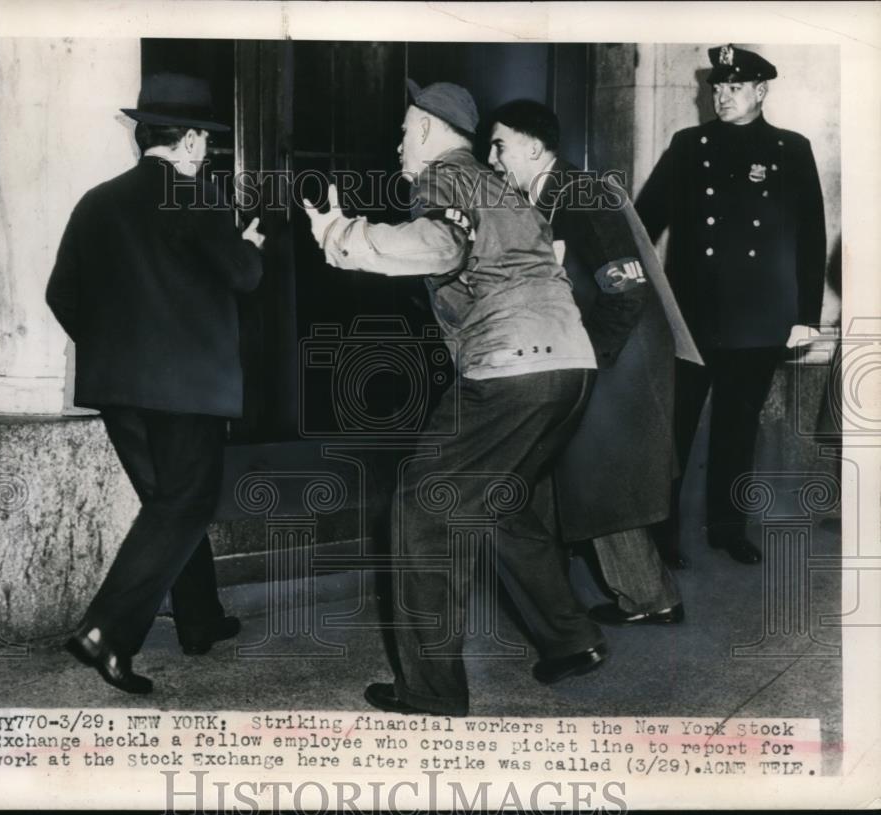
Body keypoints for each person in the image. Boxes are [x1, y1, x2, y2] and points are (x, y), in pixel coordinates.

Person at [304, 80, 606, 717]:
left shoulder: (443, 177)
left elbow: (442, 243)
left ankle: (431, 692)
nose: (397, 144)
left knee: (422, 506)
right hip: (571, 364)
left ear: (424, 132)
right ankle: (570, 640)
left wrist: (346, 237)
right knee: (498, 500)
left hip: (510, 367)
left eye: (403, 131)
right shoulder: (500, 183)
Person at [46, 73, 265, 694]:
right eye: (207, 142)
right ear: (192, 140)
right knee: (185, 503)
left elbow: (60, 293)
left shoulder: (96, 201)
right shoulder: (195, 198)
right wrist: (249, 244)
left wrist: (116, 350)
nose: (207, 153)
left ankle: (200, 619)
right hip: (188, 392)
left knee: (168, 505)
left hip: (118, 390)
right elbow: (244, 277)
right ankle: (107, 631)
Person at [486, 99, 700, 624]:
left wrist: (591, 361)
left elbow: (625, 289)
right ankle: (641, 595)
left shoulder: (581, 194)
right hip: (585, 351)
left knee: (601, 475)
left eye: (499, 146)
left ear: (533, 148)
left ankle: (643, 597)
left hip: (616, 355)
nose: (491, 159)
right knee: (588, 475)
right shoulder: (540, 196)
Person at [636, 45, 826, 565]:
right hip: (691, 317)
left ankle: (726, 528)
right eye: (717, 88)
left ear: (761, 92)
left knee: (737, 430)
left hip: (758, 318)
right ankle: (661, 535)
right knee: (673, 430)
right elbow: (645, 218)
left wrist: (805, 315)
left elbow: (811, 236)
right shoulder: (687, 144)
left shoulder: (791, 149)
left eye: (734, 88)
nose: (722, 96)